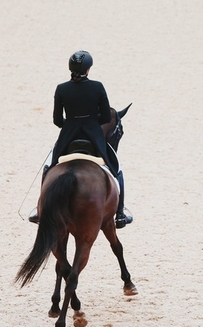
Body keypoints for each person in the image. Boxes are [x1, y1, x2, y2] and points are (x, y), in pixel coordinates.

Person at [29, 50, 132, 228]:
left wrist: (70, 125)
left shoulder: (61, 88)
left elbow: (56, 120)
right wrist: (91, 123)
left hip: (68, 137)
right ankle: (120, 214)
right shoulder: (98, 87)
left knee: (49, 166)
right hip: (94, 137)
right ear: (88, 69)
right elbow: (107, 117)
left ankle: (41, 209)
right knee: (117, 169)